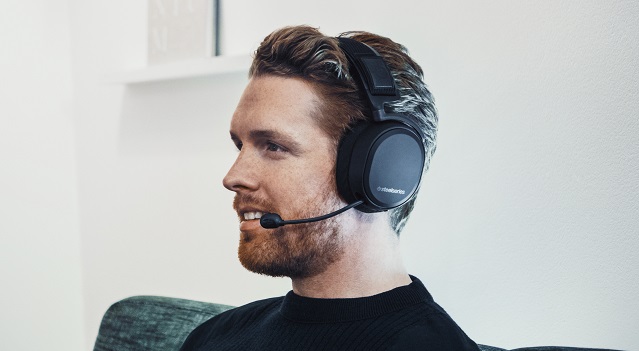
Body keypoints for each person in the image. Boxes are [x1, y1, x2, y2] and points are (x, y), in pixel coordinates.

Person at [180, 25, 480, 351]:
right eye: (240, 145)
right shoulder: (213, 337)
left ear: (379, 171)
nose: (233, 177)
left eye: (273, 146)